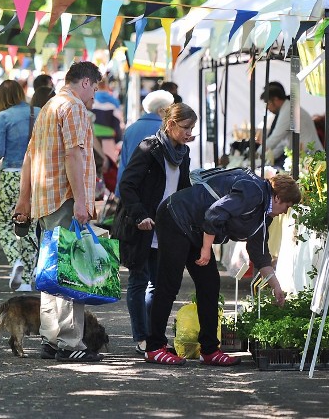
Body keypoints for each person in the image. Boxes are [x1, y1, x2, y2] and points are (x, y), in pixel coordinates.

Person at [144, 170, 301, 366]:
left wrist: (276, 285)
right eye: (287, 205)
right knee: (169, 283)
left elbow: (259, 252)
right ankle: (154, 347)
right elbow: (215, 213)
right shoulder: (253, 192)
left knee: (210, 284)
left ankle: (209, 350)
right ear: (278, 197)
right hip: (176, 216)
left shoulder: (263, 214)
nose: (286, 211)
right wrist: (206, 249)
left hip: (196, 230)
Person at [15, 61, 105, 363]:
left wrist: (24, 201)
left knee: (53, 273)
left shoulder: (49, 107)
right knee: (70, 274)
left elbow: (29, 158)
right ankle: (70, 343)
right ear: (86, 83)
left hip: (46, 201)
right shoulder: (75, 108)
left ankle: (51, 340)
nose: (95, 96)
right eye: (95, 88)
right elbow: (74, 154)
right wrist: (82, 200)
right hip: (65, 200)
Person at [118, 102, 196, 355]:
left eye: (192, 128)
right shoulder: (149, 148)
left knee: (159, 284)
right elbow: (127, 185)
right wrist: (139, 214)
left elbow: (183, 191)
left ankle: (154, 338)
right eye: (186, 127)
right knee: (139, 280)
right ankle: (142, 337)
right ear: (171, 124)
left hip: (166, 228)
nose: (189, 133)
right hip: (140, 226)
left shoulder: (183, 155)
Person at [0, 80, 40, 292]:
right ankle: (28, 279)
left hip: (11, 175)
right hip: (36, 176)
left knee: (4, 222)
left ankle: (15, 258)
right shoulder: (38, 112)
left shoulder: (3, 117)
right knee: (29, 226)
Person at [115, 90, 174, 197]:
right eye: (169, 110)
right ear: (161, 110)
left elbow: (123, 163)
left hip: (130, 187)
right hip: (155, 190)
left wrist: (119, 192)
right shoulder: (165, 129)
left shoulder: (131, 129)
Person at [255, 82, 321, 168]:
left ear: (276, 100)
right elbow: (283, 143)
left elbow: (276, 137)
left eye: (268, 103)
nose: (267, 108)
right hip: (306, 157)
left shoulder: (288, 111)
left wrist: (257, 154)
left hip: (310, 157)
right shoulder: (288, 108)